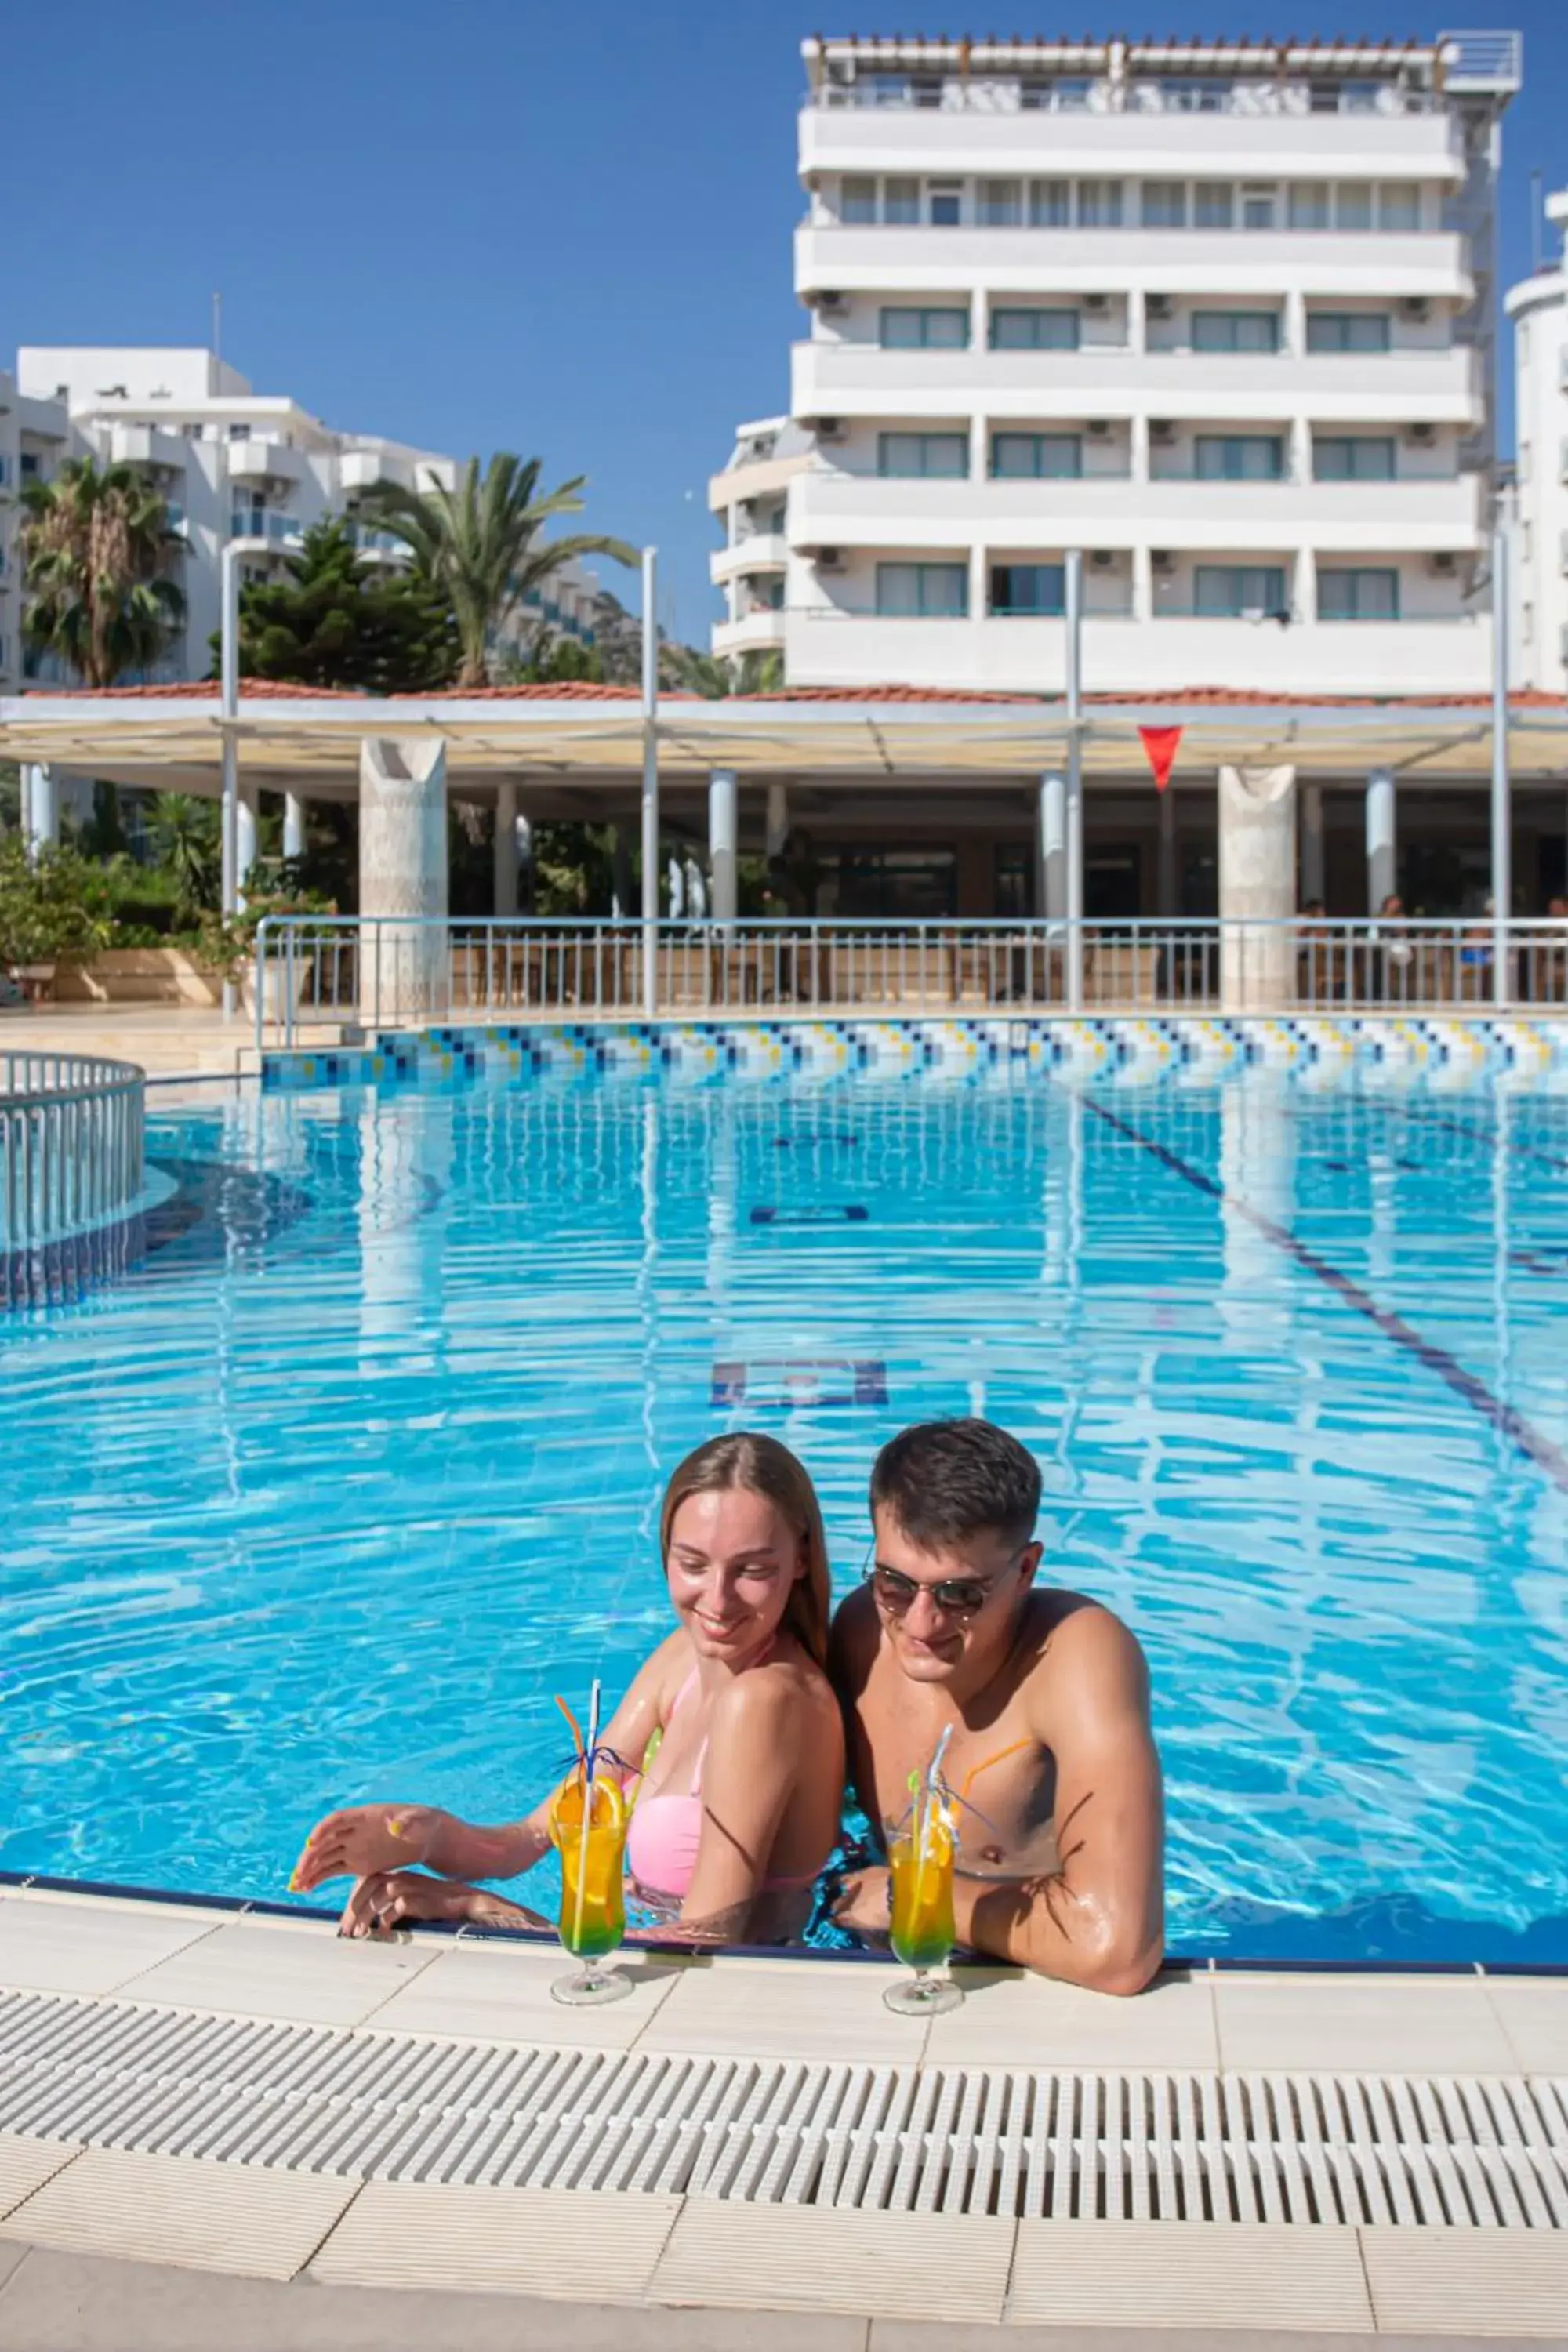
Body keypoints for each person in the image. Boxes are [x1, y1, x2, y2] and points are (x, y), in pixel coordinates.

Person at [292, 1434, 844, 1947]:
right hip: (650, 1953)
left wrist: (473, 1906)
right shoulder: (684, 1658)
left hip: (710, 1994)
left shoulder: (767, 1701)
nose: (717, 1602)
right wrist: (425, 1836)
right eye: (693, 1564)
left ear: (800, 1558)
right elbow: (531, 1836)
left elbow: (706, 1942)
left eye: (751, 1569)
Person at [829, 1419, 1163, 1995]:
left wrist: (903, 1893)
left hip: (1030, 1981)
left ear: (1026, 1569)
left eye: (960, 1594)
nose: (920, 1624)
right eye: (894, 1582)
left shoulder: (1077, 1659)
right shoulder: (861, 1627)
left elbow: (1116, 1950)